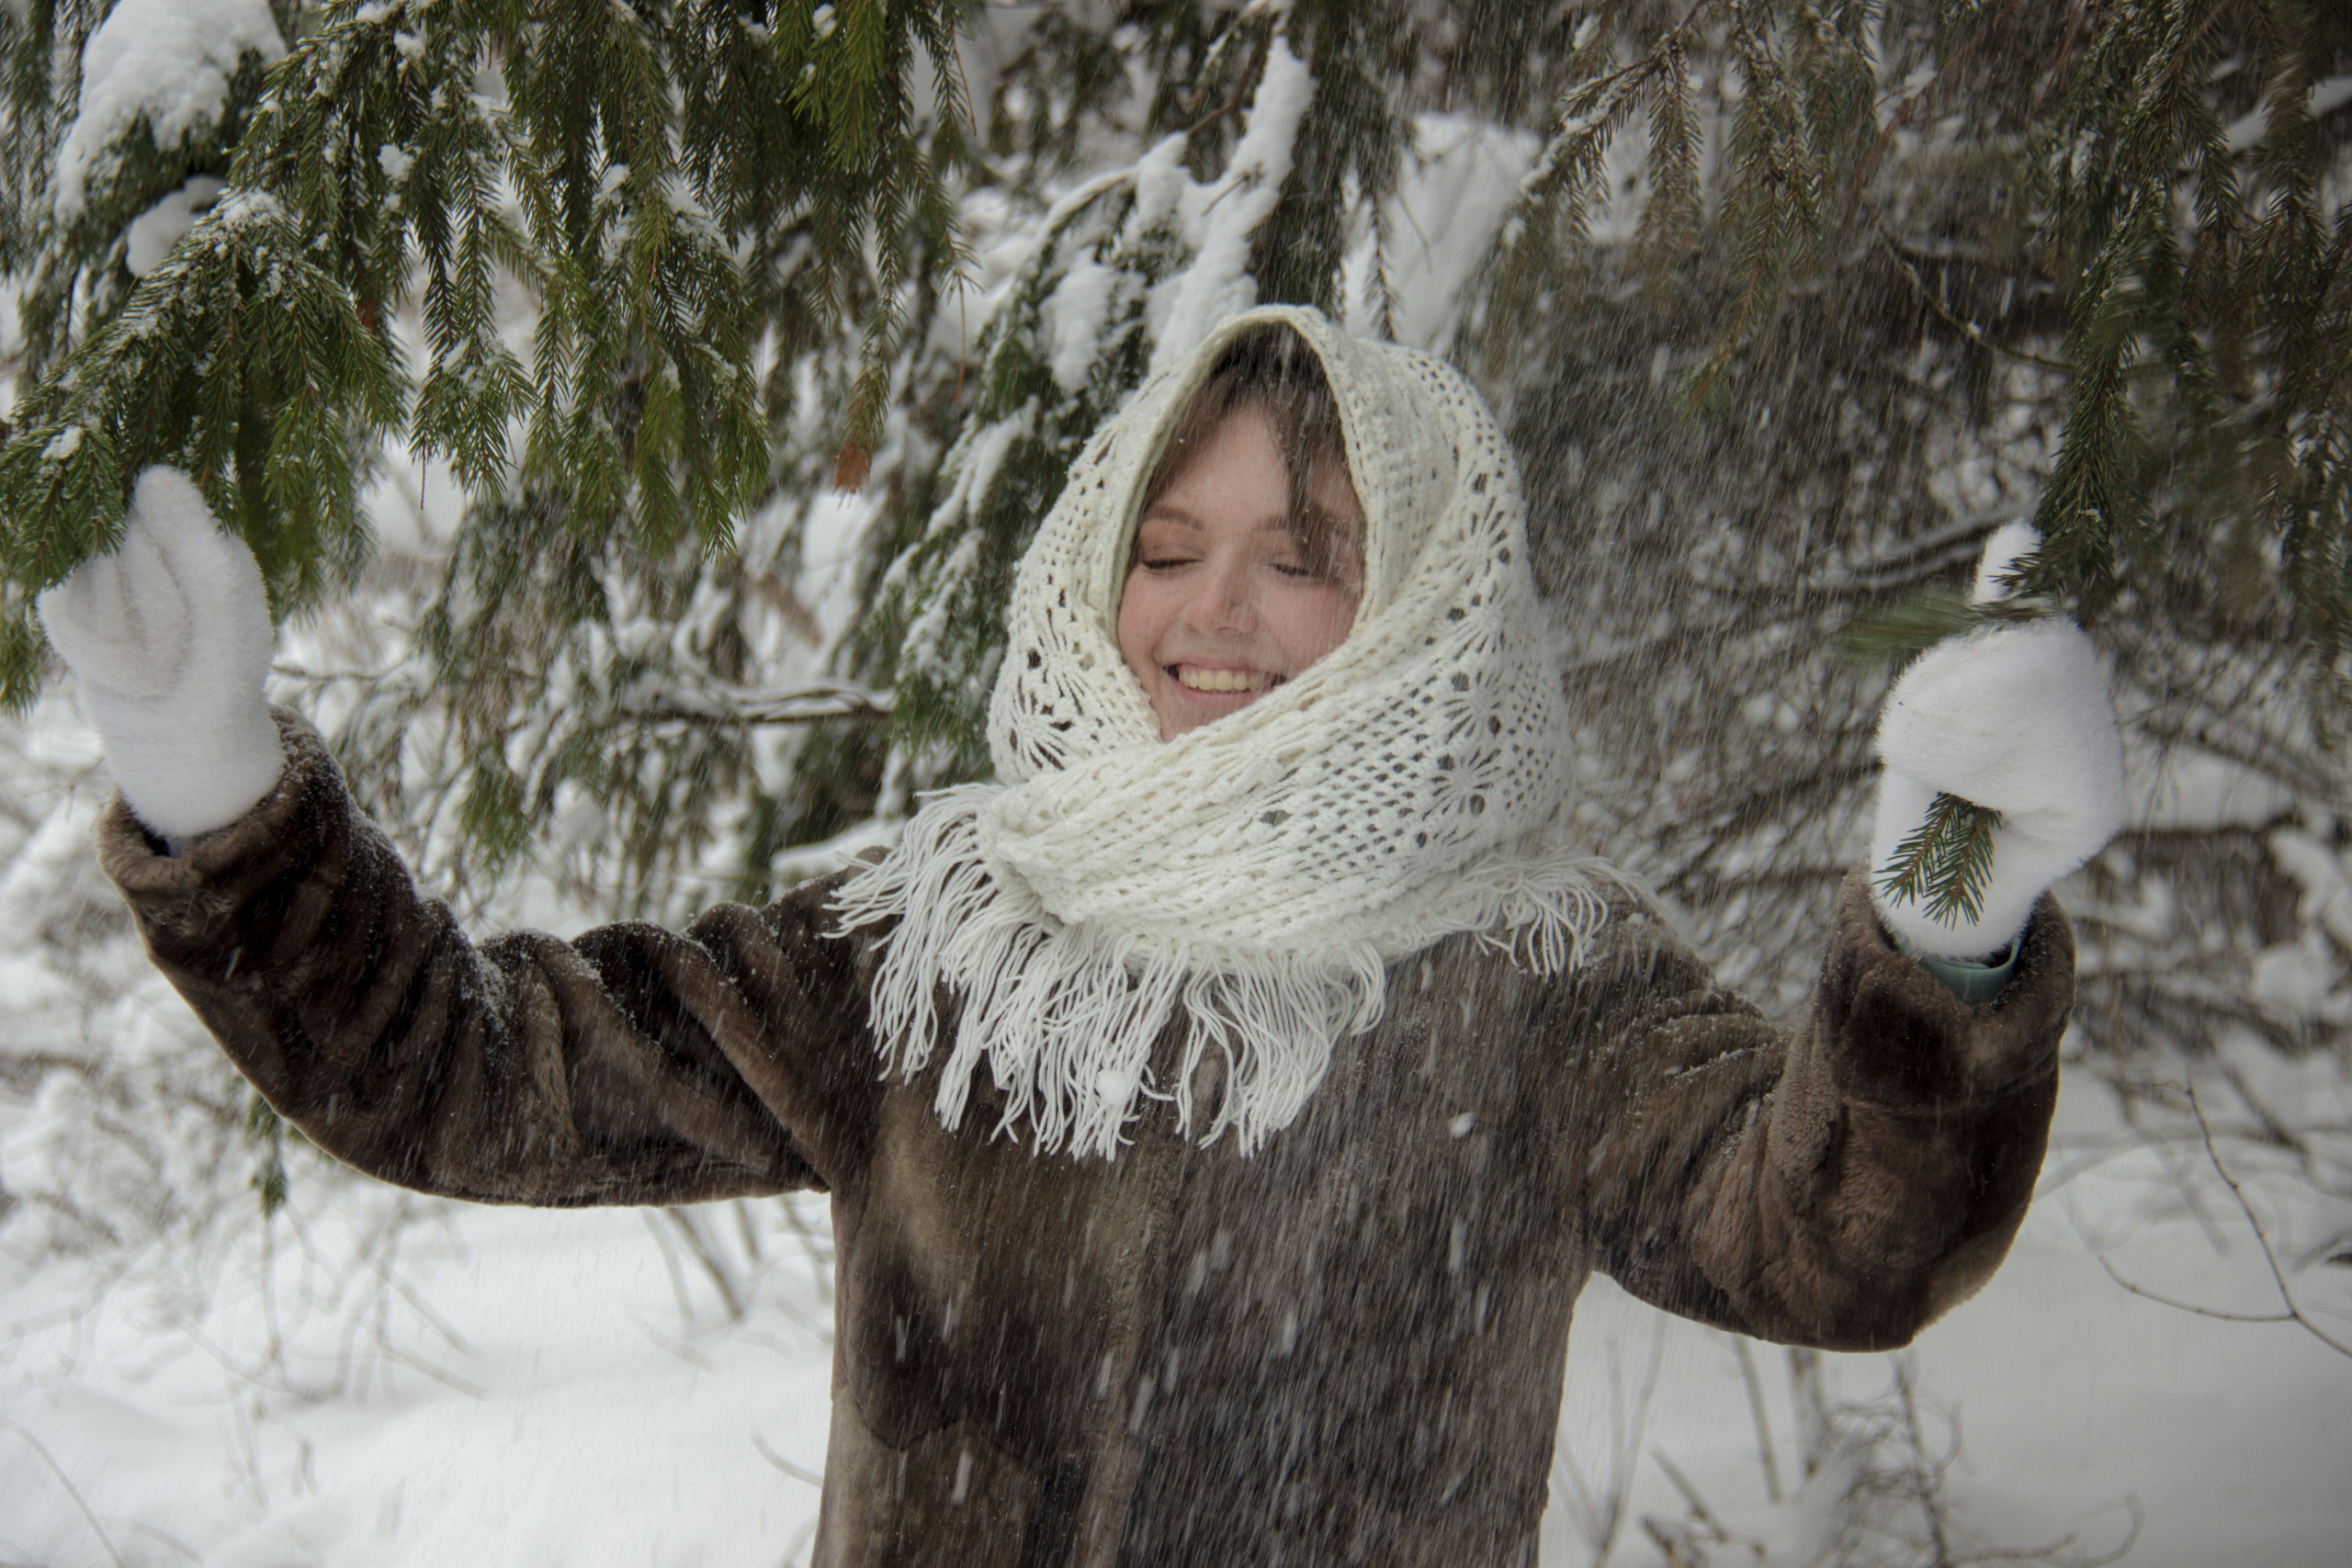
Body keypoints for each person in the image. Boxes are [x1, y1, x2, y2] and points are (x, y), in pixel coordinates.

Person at [40, 305, 2123, 1567]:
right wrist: (224, 795)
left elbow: (1825, 1238)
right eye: (1167, 543)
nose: (1209, 611)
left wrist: (1944, 917)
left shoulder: (1537, 985)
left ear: (1418, 613)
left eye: (1303, 559)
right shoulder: (937, 950)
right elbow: (475, 1072)